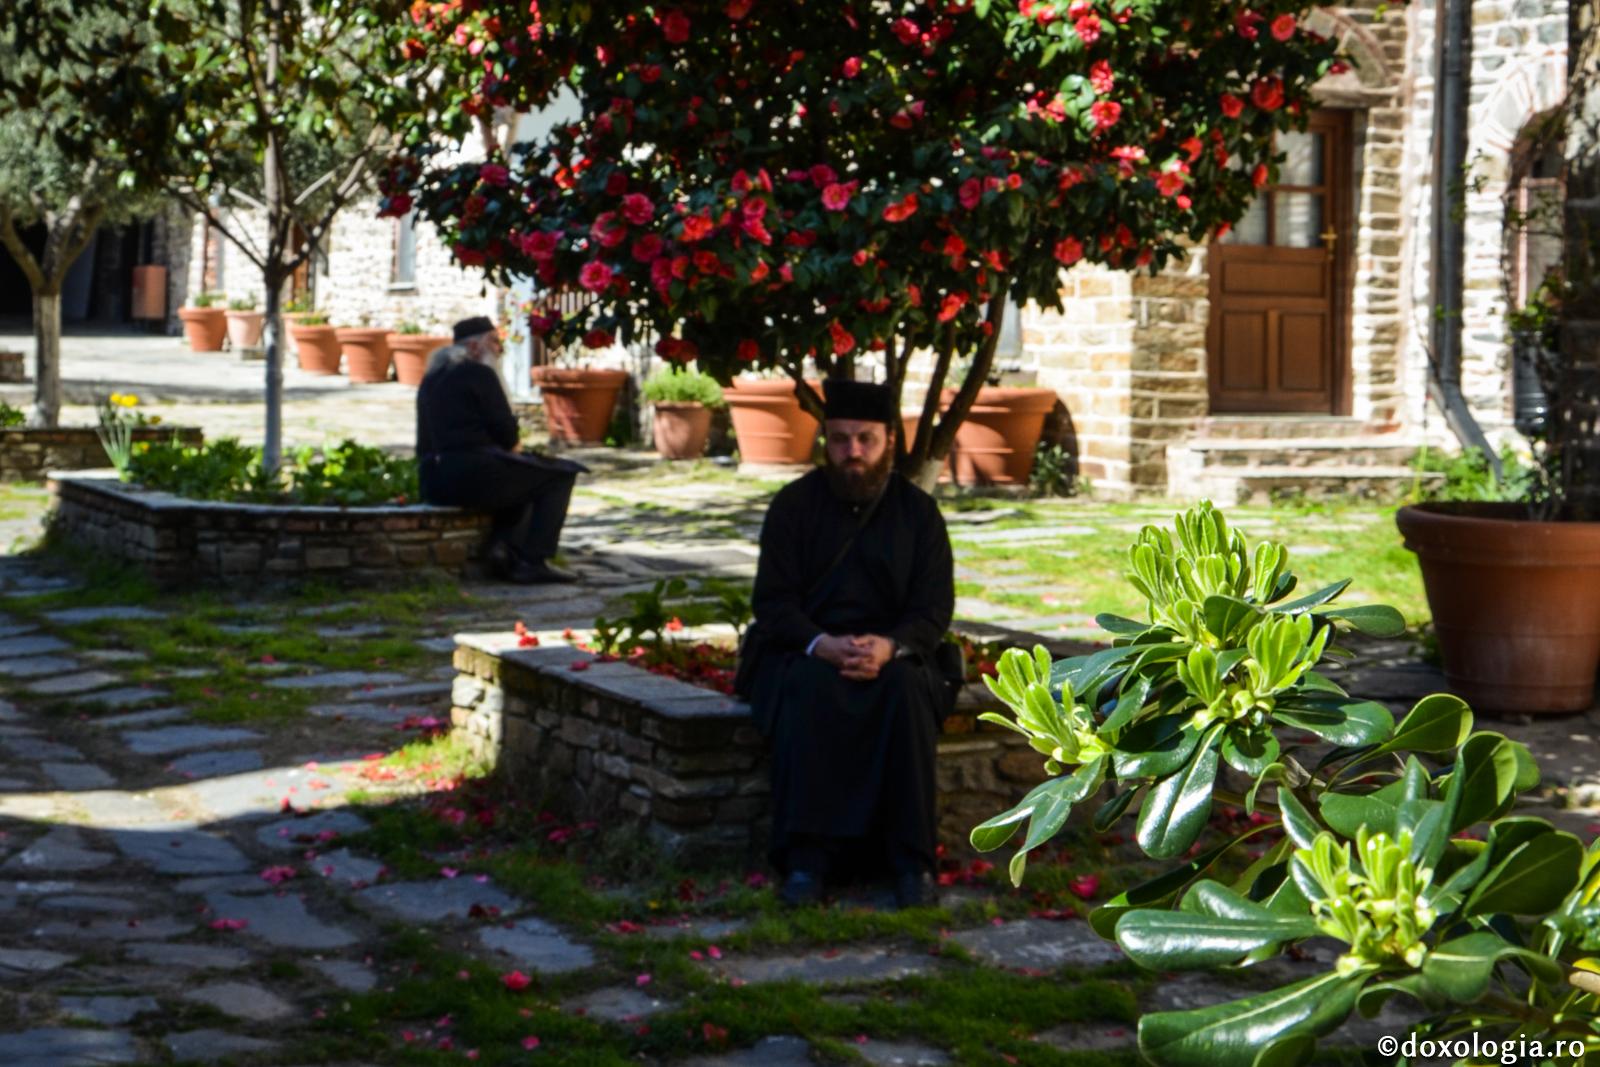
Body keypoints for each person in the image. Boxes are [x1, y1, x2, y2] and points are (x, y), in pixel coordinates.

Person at [745, 378, 955, 909]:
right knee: (810, 688)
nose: (852, 453)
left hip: (894, 655)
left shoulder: (919, 514)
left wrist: (890, 646)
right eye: (839, 440)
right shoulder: (793, 507)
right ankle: (807, 864)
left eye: (865, 439)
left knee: (906, 691)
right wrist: (821, 644)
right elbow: (772, 603)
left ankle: (911, 864)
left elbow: (933, 609)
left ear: (889, 438)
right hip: (807, 651)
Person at [415, 316, 585, 584]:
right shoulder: (479, 373)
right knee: (559, 476)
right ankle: (532, 560)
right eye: (494, 341)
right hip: (468, 474)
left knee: (524, 476)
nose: (499, 349)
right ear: (473, 347)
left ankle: (502, 548)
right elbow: (506, 434)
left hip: (433, 480)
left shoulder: (433, 376)